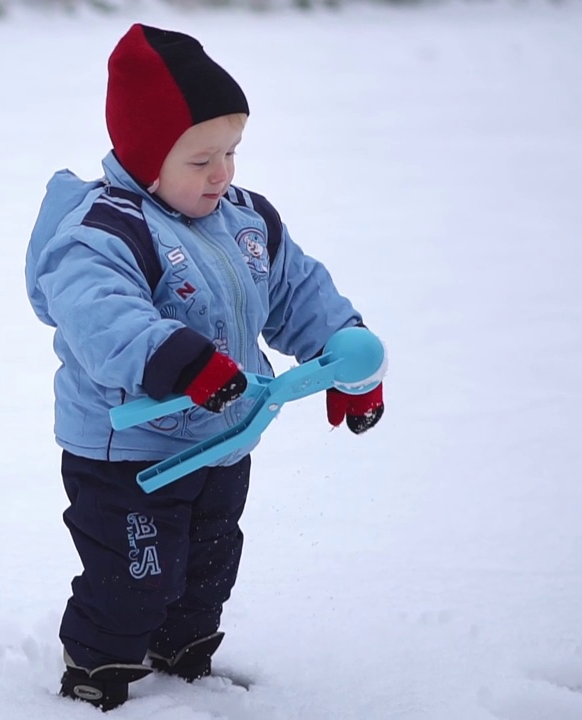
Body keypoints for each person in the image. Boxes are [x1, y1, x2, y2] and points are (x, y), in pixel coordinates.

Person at [23, 23, 386, 711]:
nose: (222, 173)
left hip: (224, 439)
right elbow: (103, 318)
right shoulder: (102, 232)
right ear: (146, 155)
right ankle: (96, 668)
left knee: (209, 564)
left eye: (231, 152)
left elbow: (296, 291)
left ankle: (185, 651)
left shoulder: (246, 221)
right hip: (128, 451)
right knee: (135, 576)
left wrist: (345, 354)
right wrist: (181, 361)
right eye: (200, 160)